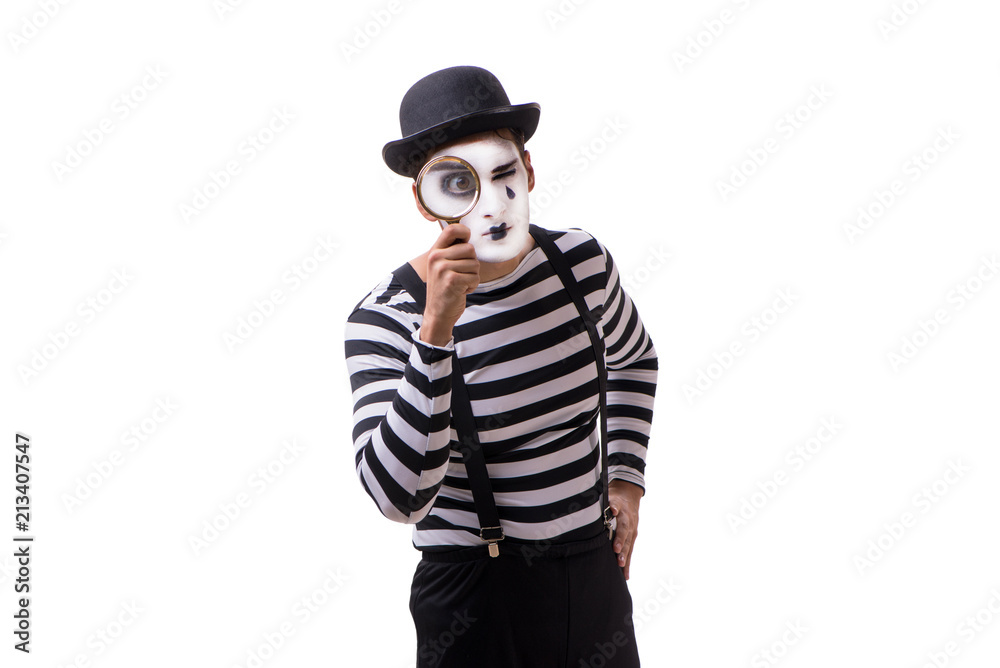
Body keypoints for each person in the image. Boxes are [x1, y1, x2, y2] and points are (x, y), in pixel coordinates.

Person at [344, 65, 658, 667]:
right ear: (425, 200)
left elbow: (634, 359)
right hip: (475, 594)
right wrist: (436, 331)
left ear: (528, 170)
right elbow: (397, 499)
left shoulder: (581, 264)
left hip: (592, 573)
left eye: (503, 173)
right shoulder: (386, 316)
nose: (490, 204)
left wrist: (626, 479)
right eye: (458, 183)